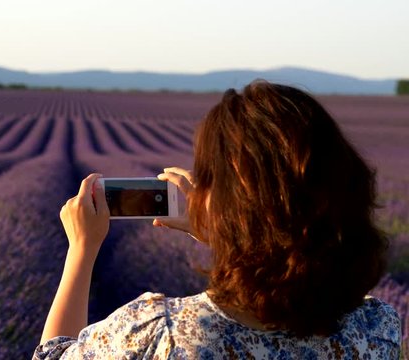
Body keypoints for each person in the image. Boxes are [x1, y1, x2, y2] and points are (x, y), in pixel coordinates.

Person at [33, 81, 401, 359]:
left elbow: (53, 355)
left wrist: (81, 250)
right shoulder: (376, 328)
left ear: (224, 200)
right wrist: (233, 237)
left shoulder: (161, 332)